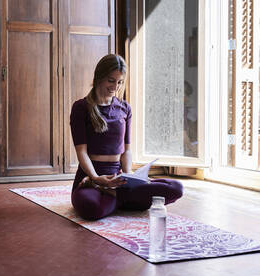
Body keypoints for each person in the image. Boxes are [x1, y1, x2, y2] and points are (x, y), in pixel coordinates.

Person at [70, 54, 183, 220]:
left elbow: (127, 150)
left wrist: (130, 177)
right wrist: (96, 179)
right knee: (91, 208)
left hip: (120, 180)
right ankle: (125, 199)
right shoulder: (81, 107)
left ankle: (116, 197)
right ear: (99, 77)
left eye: (120, 82)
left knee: (176, 187)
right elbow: (82, 152)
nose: (115, 86)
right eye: (111, 80)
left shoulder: (124, 108)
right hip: (91, 179)